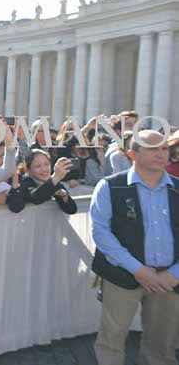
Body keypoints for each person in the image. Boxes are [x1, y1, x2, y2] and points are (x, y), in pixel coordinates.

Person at [91, 130, 179, 365]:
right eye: (152, 149)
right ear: (132, 155)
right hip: (122, 275)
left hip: (169, 280)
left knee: (162, 345)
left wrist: (175, 273)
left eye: (164, 148)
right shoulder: (109, 186)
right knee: (111, 339)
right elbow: (101, 233)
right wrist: (138, 269)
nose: (161, 153)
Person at [15, 150, 77, 214]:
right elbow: (35, 197)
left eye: (46, 164)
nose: (44, 169)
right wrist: (55, 177)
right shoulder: (24, 182)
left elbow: (71, 210)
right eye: (38, 166)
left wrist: (65, 197)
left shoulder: (54, 182)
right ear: (28, 169)